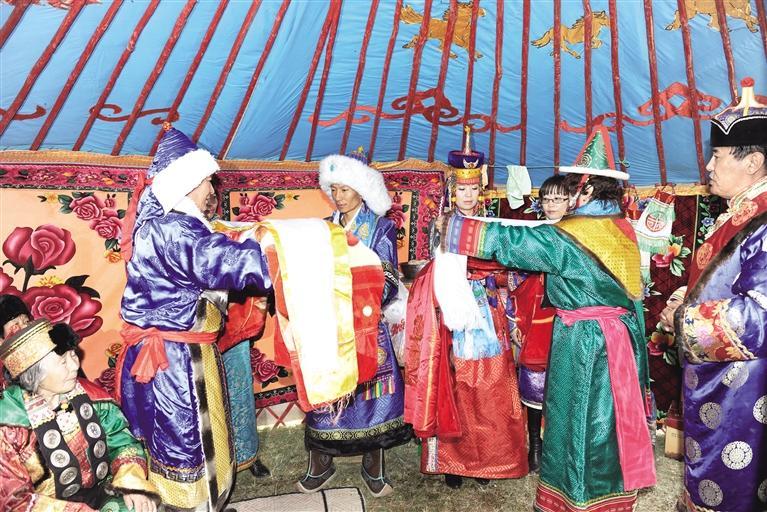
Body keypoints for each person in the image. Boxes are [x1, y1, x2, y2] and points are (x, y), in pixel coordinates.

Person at [440, 126, 655, 512]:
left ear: (588, 190)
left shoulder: (572, 234)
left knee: (577, 419)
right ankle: (614, 495)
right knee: (610, 419)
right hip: (623, 338)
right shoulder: (622, 227)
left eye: (573, 189)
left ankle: (580, 498)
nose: (569, 197)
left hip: (585, 341)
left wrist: (459, 228)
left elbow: (518, 243)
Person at [118, 124, 272, 511]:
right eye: (206, 181)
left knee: (185, 437)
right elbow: (230, 262)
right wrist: (280, 249)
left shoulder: (159, 223)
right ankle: (192, 507)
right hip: (176, 362)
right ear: (187, 183)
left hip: (174, 353)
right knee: (187, 441)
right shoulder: (176, 229)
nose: (210, 189)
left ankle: (201, 504)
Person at [663, 77, 767, 512]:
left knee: (735, 487)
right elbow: (723, 280)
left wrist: (684, 318)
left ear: (753, 162)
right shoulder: (741, 212)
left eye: (718, 156)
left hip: (746, 387)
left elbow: (759, 317)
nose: (708, 165)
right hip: (718, 376)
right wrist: (685, 296)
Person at [406, 157, 528, 489]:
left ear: (481, 191)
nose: (468, 195)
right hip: (453, 314)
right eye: (462, 189)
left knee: (490, 385)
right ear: (452, 192)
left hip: (487, 313)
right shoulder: (443, 226)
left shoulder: (491, 225)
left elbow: (506, 268)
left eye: (473, 189)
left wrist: (493, 273)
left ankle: (488, 461)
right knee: (456, 384)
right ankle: (452, 462)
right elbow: (435, 269)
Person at [296, 151, 412, 497]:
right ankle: (321, 462)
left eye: (344, 189)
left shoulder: (380, 229)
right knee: (326, 391)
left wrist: (356, 295)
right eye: (333, 189)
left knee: (368, 393)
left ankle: (373, 464)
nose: (338, 196)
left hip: (365, 324)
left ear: (361, 190)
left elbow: (388, 278)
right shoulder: (324, 227)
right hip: (328, 324)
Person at [0, 317, 159, 511]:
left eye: (73, 355)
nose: (75, 365)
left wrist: (130, 482)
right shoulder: (9, 426)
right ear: (33, 373)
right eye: (63, 362)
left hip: (101, 490)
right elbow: (15, 500)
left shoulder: (89, 395)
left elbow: (121, 442)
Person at [204, 189, 271, 479]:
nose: (208, 204)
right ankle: (215, 462)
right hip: (195, 327)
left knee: (239, 392)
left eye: (212, 198)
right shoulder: (179, 232)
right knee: (206, 398)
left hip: (233, 323)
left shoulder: (231, 233)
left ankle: (247, 455)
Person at [506, 174, 570, 473]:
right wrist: (516, 321)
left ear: (570, 201)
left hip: (570, 318)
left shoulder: (579, 234)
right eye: (547, 199)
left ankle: (561, 448)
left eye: (558, 198)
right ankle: (535, 446)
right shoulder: (533, 234)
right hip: (537, 318)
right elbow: (515, 280)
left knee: (567, 383)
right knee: (535, 381)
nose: (552, 204)